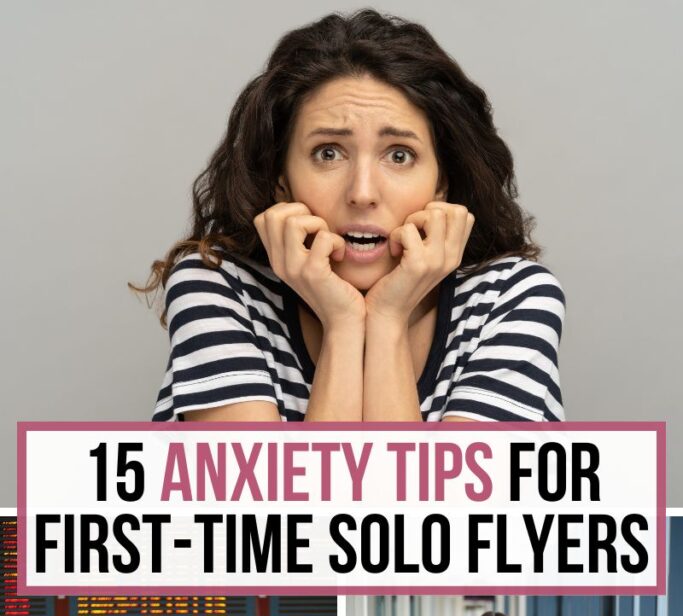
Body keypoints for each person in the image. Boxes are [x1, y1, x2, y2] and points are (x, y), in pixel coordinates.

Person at [141, 9, 564, 424]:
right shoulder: (217, 287)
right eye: (329, 153)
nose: (362, 193)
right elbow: (270, 496)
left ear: (442, 183)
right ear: (280, 179)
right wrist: (344, 325)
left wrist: (387, 319)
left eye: (399, 155)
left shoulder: (510, 299)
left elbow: (424, 496)